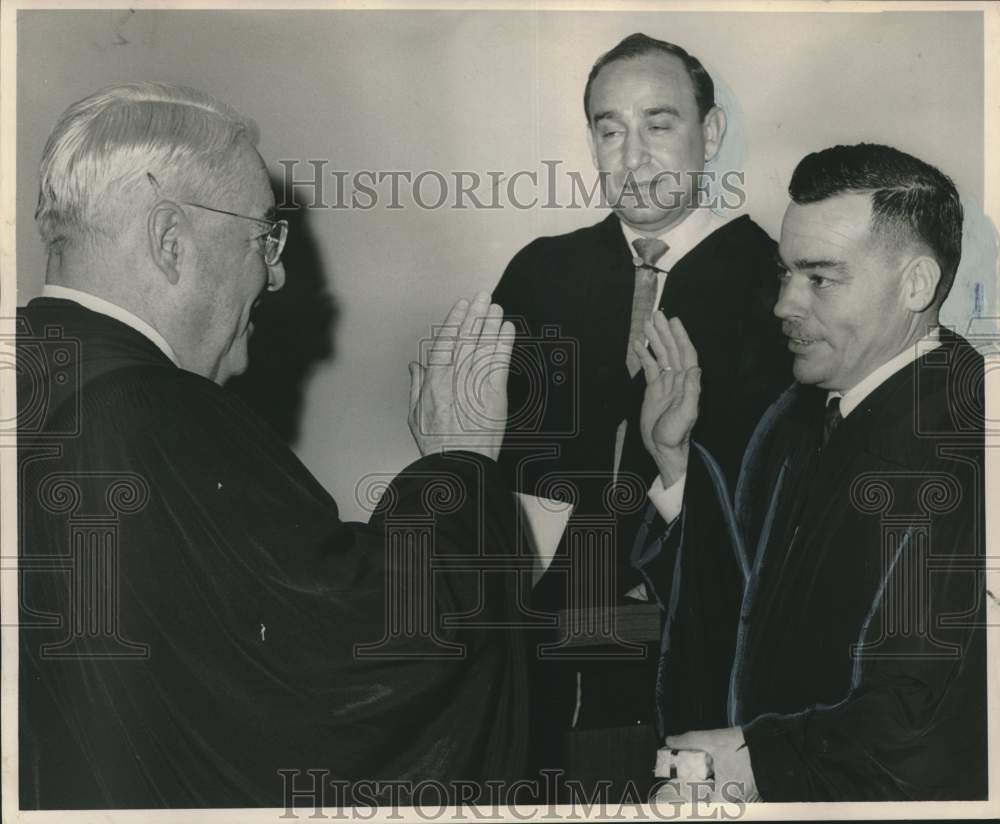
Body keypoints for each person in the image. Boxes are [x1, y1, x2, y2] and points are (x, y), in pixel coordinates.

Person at [17, 82, 527, 809]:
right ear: (170, 242)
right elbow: (365, 660)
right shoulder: (153, 412)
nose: (277, 273)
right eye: (264, 238)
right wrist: (459, 464)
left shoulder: (32, 377)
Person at [634, 143, 986, 801]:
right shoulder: (797, 420)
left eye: (820, 278)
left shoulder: (967, 450)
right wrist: (673, 460)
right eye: (786, 273)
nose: (784, 305)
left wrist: (754, 763)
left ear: (916, 285)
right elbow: (748, 613)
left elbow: (935, 717)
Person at [491, 33, 791, 793]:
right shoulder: (540, 273)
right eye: (610, 129)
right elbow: (508, 458)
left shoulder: (773, 285)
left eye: (659, 124)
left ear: (709, 134)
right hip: (539, 637)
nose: (634, 156)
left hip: (696, 639)